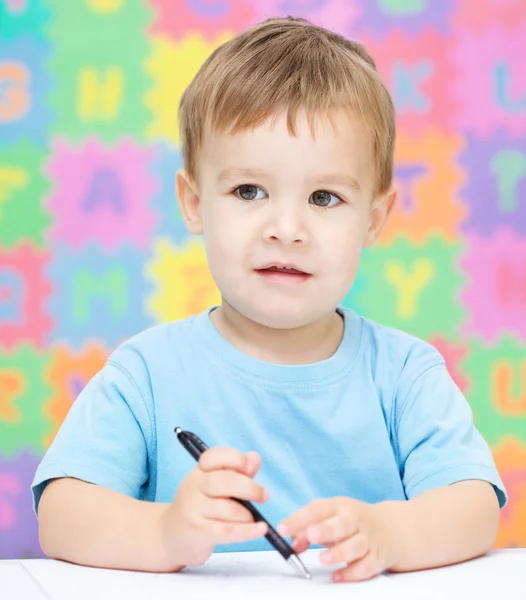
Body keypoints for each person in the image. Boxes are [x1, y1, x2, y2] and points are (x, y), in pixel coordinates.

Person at [32, 17, 506, 583]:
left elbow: (475, 505)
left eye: (325, 197)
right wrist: (164, 532)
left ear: (374, 219)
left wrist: (390, 534)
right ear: (193, 202)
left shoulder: (404, 375)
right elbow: (60, 515)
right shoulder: (148, 373)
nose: (287, 228)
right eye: (248, 191)